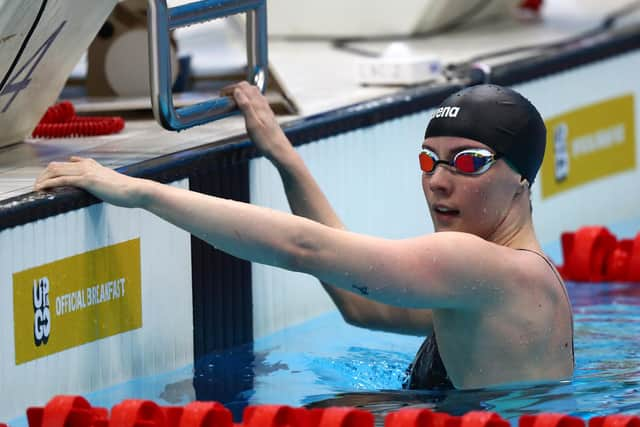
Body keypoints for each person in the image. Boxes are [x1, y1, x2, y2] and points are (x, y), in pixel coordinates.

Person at [34, 83, 574, 390]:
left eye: (468, 163)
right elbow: (356, 304)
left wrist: (141, 192)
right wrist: (285, 158)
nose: (438, 181)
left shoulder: (485, 267)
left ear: (522, 180)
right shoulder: (506, 280)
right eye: (428, 161)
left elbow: (304, 248)